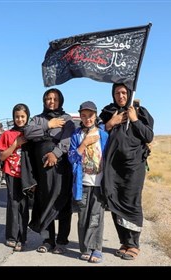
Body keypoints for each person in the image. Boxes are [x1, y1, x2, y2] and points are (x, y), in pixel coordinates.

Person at [99, 83, 154, 261]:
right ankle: (124, 241)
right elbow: (96, 133)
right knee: (114, 201)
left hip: (133, 167)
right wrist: (110, 123)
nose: (120, 96)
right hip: (113, 167)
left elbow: (148, 136)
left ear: (129, 93)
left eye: (124, 92)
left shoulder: (141, 112)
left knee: (131, 203)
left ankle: (134, 244)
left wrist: (135, 119)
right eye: (117, 93)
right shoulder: (109, 111)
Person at [23, 88, 75, 254]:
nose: (51, 101)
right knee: (44, 200)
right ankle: (47, 240)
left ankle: (61, 241)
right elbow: (28, 132)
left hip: (61, 168)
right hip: (42, 169)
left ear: (60, 100)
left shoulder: (67, 119)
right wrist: (48, 125)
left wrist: (55, 153)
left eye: (55, 99)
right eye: (48, 98)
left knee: (62, 202)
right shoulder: (38, 119)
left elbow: (67, 140)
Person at [68, 101, 108, 263]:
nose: (87, 119)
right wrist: (84, 144)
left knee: (96, 217)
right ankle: (85, 248)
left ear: (95, 115)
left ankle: (96, 249)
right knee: (83, 217)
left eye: (90, 115)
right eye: (83, 116)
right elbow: (71, 158)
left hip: (99, 183)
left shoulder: (104, 135)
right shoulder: (76, 136)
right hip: (82, 183)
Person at [0, 103, 30, 252]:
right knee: (13, 204)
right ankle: (11, 236)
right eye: (17, 117)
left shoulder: (31, 133)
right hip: (11, 174)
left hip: (27, 176)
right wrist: (16, 144)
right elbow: (2, 156)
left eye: (22, 116)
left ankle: (22, 238)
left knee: (24, 206)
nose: (20, 119)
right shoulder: (7, 135)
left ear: (27, 117)